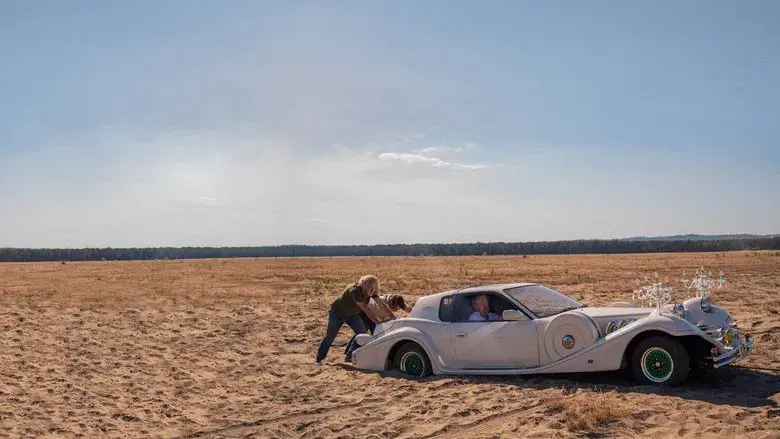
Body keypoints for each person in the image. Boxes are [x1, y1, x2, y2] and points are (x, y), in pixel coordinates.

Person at [315, 275, 386, 364]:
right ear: (364, 285)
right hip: (337, 313)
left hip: (352, 315)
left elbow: (381, 304)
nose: (372, 289)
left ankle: (349, 356)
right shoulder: (354, 290)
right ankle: (319, 358)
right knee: (330, 336)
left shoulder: (371, 292)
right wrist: (377, 321)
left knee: (362, 333)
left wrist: (393, 317)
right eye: (370, 286)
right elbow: (365, 308)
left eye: (374, 286)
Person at [344, 294, 413, 358]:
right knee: (365, 333)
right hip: (367, 314)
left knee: (361, 331)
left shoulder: (398, 301)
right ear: (391, 304)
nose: (396, 311)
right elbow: (379, 318)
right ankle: (349, 355)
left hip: (372, 314)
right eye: (395, 309)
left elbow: (408, 309)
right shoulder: (380, 304)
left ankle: (348, 350)